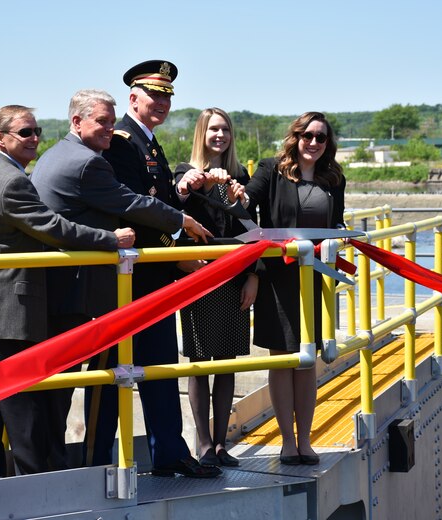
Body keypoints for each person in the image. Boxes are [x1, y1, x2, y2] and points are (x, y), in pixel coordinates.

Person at [0, 105, 135, 481]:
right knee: (24, 414)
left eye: (37, 131)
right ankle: (38, 493)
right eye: (25, 132)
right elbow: (52, 227)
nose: (34, 139)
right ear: (0, 138)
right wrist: (110, 239)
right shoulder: (12, 181)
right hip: (4, 315)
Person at [30, 89, 211, 470]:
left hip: (77, 288)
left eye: (111, 123)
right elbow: (130, 203)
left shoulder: (62, 153)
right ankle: (92, 466)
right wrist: (181, 225)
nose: (109, 130)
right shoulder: (91, 161)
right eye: (101, 122)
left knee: (85, 385)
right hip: (93, 293)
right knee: (103, 383)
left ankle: (67, 466)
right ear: (76, 122)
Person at [90, 60, 222, 478]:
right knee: (114, 377)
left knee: (161, 368)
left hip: (154, 277)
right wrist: (178, 252)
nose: (161, 102)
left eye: (166, 96)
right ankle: (95, 464)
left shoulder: (148, 143)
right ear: (133, 97)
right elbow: (133, 210)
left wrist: (183, 192)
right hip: (129, 280)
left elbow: (160, 202)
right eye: (154, 95)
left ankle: (169, 452)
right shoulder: (123, 142)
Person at [245, 111, 345, 466]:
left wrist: (342, 239)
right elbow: (246, 207)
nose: (314, 143)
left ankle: (306, 439)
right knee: (283, 359)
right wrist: (254, 269)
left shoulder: (332, 177)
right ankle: (287, 441)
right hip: (278, 279)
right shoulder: (272, 169)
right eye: (308, 136)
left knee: (307, 362)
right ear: (296, 136)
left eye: (321, 138)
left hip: (315, 279)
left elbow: (337, 222)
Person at [174, 108, 255, 468]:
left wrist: (255, 275)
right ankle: (203, 444)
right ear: (201, 134)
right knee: (199, 364)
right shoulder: (184, 173)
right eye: (213, 129)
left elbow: (254, 229)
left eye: (225, 129)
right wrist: (198, 185)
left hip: (236, 278)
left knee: (227, 363)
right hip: (200, 279)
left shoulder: (240, 177)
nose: (220, 135)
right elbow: (173, 216)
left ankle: (222, 443)